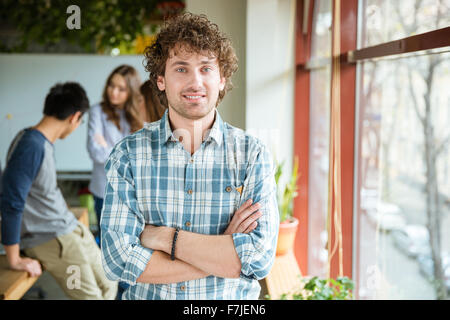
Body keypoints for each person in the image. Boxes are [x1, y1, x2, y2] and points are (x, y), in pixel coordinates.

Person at [101, 13, 279, 300]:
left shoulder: (252, 155)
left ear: (222, 79)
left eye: (206, 69)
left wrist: (165, 239)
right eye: (181, 69)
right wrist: (223, 251)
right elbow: (118, 260)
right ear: (160, 80)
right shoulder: (128, 156)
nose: (195, 82)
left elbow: (257, 259)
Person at [0, 82, 117, 300]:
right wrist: (14, 259)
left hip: (70, 229)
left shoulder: (41, 142)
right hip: (52, 240)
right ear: (75, 117)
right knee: (91, 298)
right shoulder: (31, 146)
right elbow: (11, 203)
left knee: (110, 284)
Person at [86, 64, 143, 245]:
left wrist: (108, 147)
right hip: (103, 190)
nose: (114, 92)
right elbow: (95, 152)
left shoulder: (138, 115)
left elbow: (141, 155)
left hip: (132, 192)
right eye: (111, 85)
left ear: (131, 91)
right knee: (107, 244)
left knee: (130, 243)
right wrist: (126, 151)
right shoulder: (97, 111)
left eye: (121, 89)